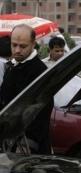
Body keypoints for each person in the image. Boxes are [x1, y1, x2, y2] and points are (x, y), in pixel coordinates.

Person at [0, 24, 53, 154]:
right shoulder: (12, 66)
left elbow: (43, 110)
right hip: (9, 143)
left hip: (29, 148)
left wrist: (30, 141)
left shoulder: (39, 71)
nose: (17, 50)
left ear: (33, 44)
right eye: (14, 45)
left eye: (22, 46)